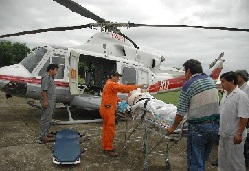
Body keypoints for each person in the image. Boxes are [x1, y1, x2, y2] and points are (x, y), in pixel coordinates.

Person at [167, 59, 220, 171]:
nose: (184, 74)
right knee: (202, 159)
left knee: (195, 163)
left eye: (184, 71)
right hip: (215, 127)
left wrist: (172, 128)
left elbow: (180, 113)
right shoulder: (210, 81)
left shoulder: (188, 85)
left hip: (199, 128)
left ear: (189, 70)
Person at [99, 70, 144, 157]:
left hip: (106, 109)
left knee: (106, 129)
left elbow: (113, 96)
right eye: (117, 76)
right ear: (112, 76)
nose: (118, 78)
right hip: (108, 110)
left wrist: (121, 102)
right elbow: (123, 88)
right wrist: (137, 86)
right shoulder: (111, 84)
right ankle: (109, 149)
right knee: (110, 129)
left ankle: (105, 147)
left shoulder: (109, 85)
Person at [218, 71, 249, 171]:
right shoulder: (225, 94)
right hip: (223, 133)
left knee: (236, 161)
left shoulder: (241, 95)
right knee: (223, 160)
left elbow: (244, 116)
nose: (221, 84)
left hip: (234, 135)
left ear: (232, 81)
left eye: (223, 82)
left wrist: (239, 133)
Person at [39, 64, 59, 143]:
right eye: (55, 70)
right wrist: (45, 101)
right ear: (50, 70)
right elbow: (43, 91)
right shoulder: (46, 78)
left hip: (51, 101)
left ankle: (46, 133)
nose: (56, 72)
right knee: (45, 118)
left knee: (49, 118)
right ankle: (42, 136)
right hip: (48, 101)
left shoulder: (50, 78)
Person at [235, 70, 249, 166]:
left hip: (244, 118)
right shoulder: (238, 88)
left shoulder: (247, 88)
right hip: (236, 118)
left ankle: (245, 161)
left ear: (241, 77)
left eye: (236, 76)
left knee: (244, 140)